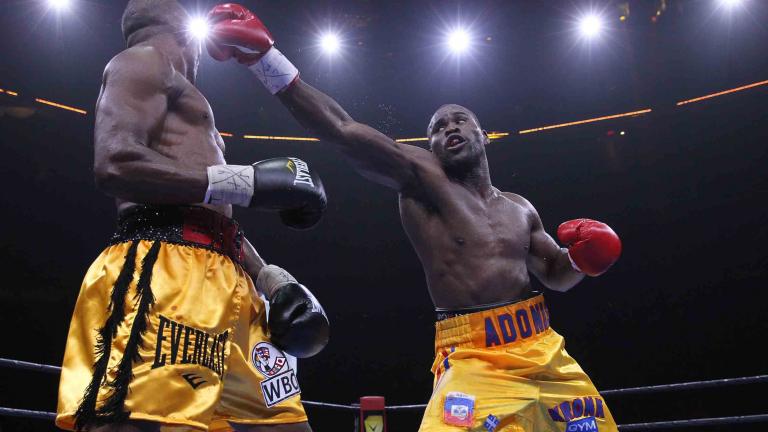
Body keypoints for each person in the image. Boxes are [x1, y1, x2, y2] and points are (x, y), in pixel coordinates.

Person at [205, 4, 623, 431]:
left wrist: (585, 260)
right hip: (474, 357)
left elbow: (555, 273)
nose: (449, 128)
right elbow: (343, 130)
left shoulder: (519, 207)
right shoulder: (423, 179)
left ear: (484, 136)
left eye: (460, 120)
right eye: (438, 127)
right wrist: (265, 60)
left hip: (543, 349)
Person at [55, 1, 328, 431]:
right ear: (185, 29)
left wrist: (273, 280)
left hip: (225, 275)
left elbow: (211, 217)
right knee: (137, 421)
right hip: (163, 271)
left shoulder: (186, 95)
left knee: (286, 424)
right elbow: (114, 164)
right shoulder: (142, 62)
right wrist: (249, 183)